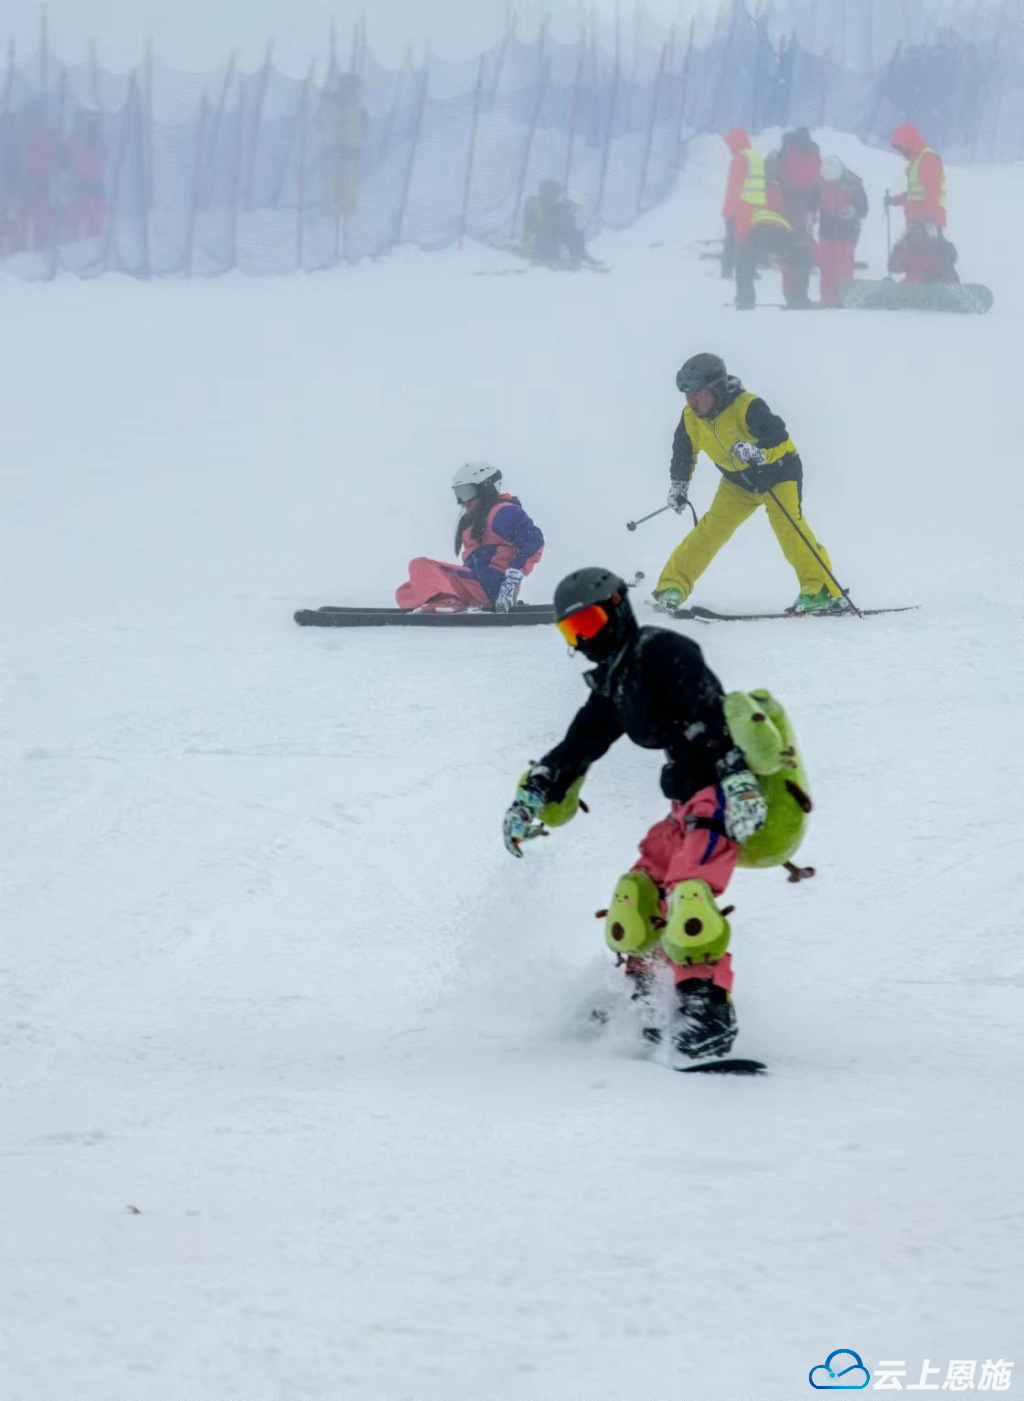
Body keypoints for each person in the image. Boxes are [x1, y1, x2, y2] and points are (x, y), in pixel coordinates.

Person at [501, 568, 769, 1062]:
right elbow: (581, 743)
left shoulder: (664, 652)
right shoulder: (616, 680)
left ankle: (704, 1013)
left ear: (619, 607)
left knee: (689, 898)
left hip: (724, 795)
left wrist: (736, 775)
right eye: (573, 632)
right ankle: (648, 1000)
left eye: (590, 623)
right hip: (686, 804)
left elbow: (711, 712)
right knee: (637, 895)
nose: (586, 640)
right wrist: (535, 792)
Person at [652, 353, 847, 615]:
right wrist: (679, 485)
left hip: (777, 474)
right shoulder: (690, 418)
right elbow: (683, 452)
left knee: (788, 526)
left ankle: (820, 589)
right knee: (710, 531)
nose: (691, 400)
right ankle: (671, 587)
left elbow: (778, 437)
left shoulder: (747, 406)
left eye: (698, 393)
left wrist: (758, 453)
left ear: (716, 389)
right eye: (687, 394)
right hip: (738, 483)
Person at [395, 462, 544, 613]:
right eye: (459, 494)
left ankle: (447, 603)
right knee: (407, 590)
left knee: (420, 565)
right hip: (476, 583)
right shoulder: (472, 521)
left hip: (492, 583)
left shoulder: (503, 512)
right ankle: (443, 602)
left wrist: (512, 580)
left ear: (486, 489)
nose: (464, 501)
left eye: (467, 492)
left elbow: (534, 540)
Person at [734, 188, 814, 310]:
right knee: (800, 256)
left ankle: (745, 299)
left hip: (757, 234)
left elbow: (742, 224)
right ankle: (798, 299)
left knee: (744, 263)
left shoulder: (751, 195)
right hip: (779, 233)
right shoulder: (783, 192)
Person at [818, 155, 868, 307]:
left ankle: (844, 299)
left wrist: (854, 211)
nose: (831, 184)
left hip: (847, 231)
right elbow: (812, 200)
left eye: (833, 182)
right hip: (826, 230)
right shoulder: (820, 182)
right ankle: (827, 300)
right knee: (826, 267)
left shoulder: (855, 184)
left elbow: (863, 209)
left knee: (843, 268)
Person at [720, 128, 766, 277]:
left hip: (740, 208)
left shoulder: (739, 161)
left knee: (732, 240)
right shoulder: (756, 159)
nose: (728, 148)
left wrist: (728, 211)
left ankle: (727, 271)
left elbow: (734, 188)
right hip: (755, 208)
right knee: (748, 240)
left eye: (730, 144)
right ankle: (750, 270)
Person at [885, 123, 947, 231]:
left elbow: (931, 194)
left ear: (909, 143)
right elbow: (914, 194)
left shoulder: (928, 160)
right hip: (917, 223)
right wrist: (894, 200)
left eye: (902, 148)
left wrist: (927, 220)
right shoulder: (917, 162)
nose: (901, 152)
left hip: (928, 225)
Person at [522, 180, 590, 268]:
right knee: (552, 234)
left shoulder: (553, 204)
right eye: (555, 193)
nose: (556, 196)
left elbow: (559, 223)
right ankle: (553, 258)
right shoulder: (535, 202)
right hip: (537, 237)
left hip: (548, 234)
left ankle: (579, 255)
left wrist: (569, 216)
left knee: (577, 232)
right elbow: (538, 224)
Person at [777, 126, 822, 236]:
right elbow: (818, 173)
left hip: (791, 194)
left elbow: (780, 170)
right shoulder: (814, 150)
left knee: (790, 225)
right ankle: (806, 245)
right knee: (806, 227)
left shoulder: (789, 149)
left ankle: (792, 244)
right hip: (811, 194)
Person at [888, 218, 959, 285]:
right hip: (912, 289)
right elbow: (894, 267)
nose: (916, 235)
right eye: (914, 231)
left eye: (920, 231)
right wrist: (899, 249)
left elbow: (950, 264)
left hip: (936, 287)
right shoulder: (908, 250)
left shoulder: (939, 249)